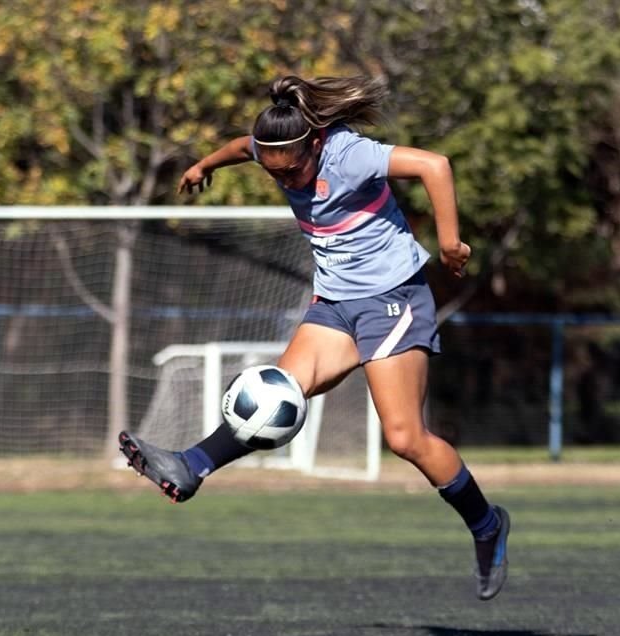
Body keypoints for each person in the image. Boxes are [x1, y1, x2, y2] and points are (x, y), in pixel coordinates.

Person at [118, 75, 511, 601]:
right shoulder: (274, 151)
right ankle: (191, 467)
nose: (291, 180)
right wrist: (203, 166)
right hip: (333, 304)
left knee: (404, 439)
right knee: (279, 393)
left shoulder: (349, 155)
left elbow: (434, 165)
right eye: (277, 172)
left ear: (317, 144)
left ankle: (487, 525)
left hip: (391, 300)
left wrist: (449, 242)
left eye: (296, 169)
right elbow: (243, 147)